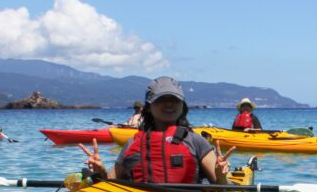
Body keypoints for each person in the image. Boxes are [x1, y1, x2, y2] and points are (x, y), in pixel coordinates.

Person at [80, 76, 232, 184]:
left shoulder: (196, 141)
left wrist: (221, 175)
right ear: (149, 107)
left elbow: (223, 190)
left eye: (174, 100)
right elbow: (109, 183)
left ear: (182, 106)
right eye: (161, 100)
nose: (169, 105)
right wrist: (100, 171)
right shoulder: (133, 142)